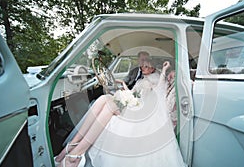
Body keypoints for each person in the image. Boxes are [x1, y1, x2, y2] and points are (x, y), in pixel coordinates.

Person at [56, 59, 185, 167]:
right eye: (142, 65)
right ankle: (73, 145)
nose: (142, 67)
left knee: (109, 107)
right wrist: (123, 87)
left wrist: (164, 70)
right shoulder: (143, 78)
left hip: (142, 109)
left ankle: (76, 154)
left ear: (152, 69)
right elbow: (134, 92)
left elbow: (158, 91)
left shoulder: (156, 77)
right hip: (135, 102)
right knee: (103, 99)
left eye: (146, 66)